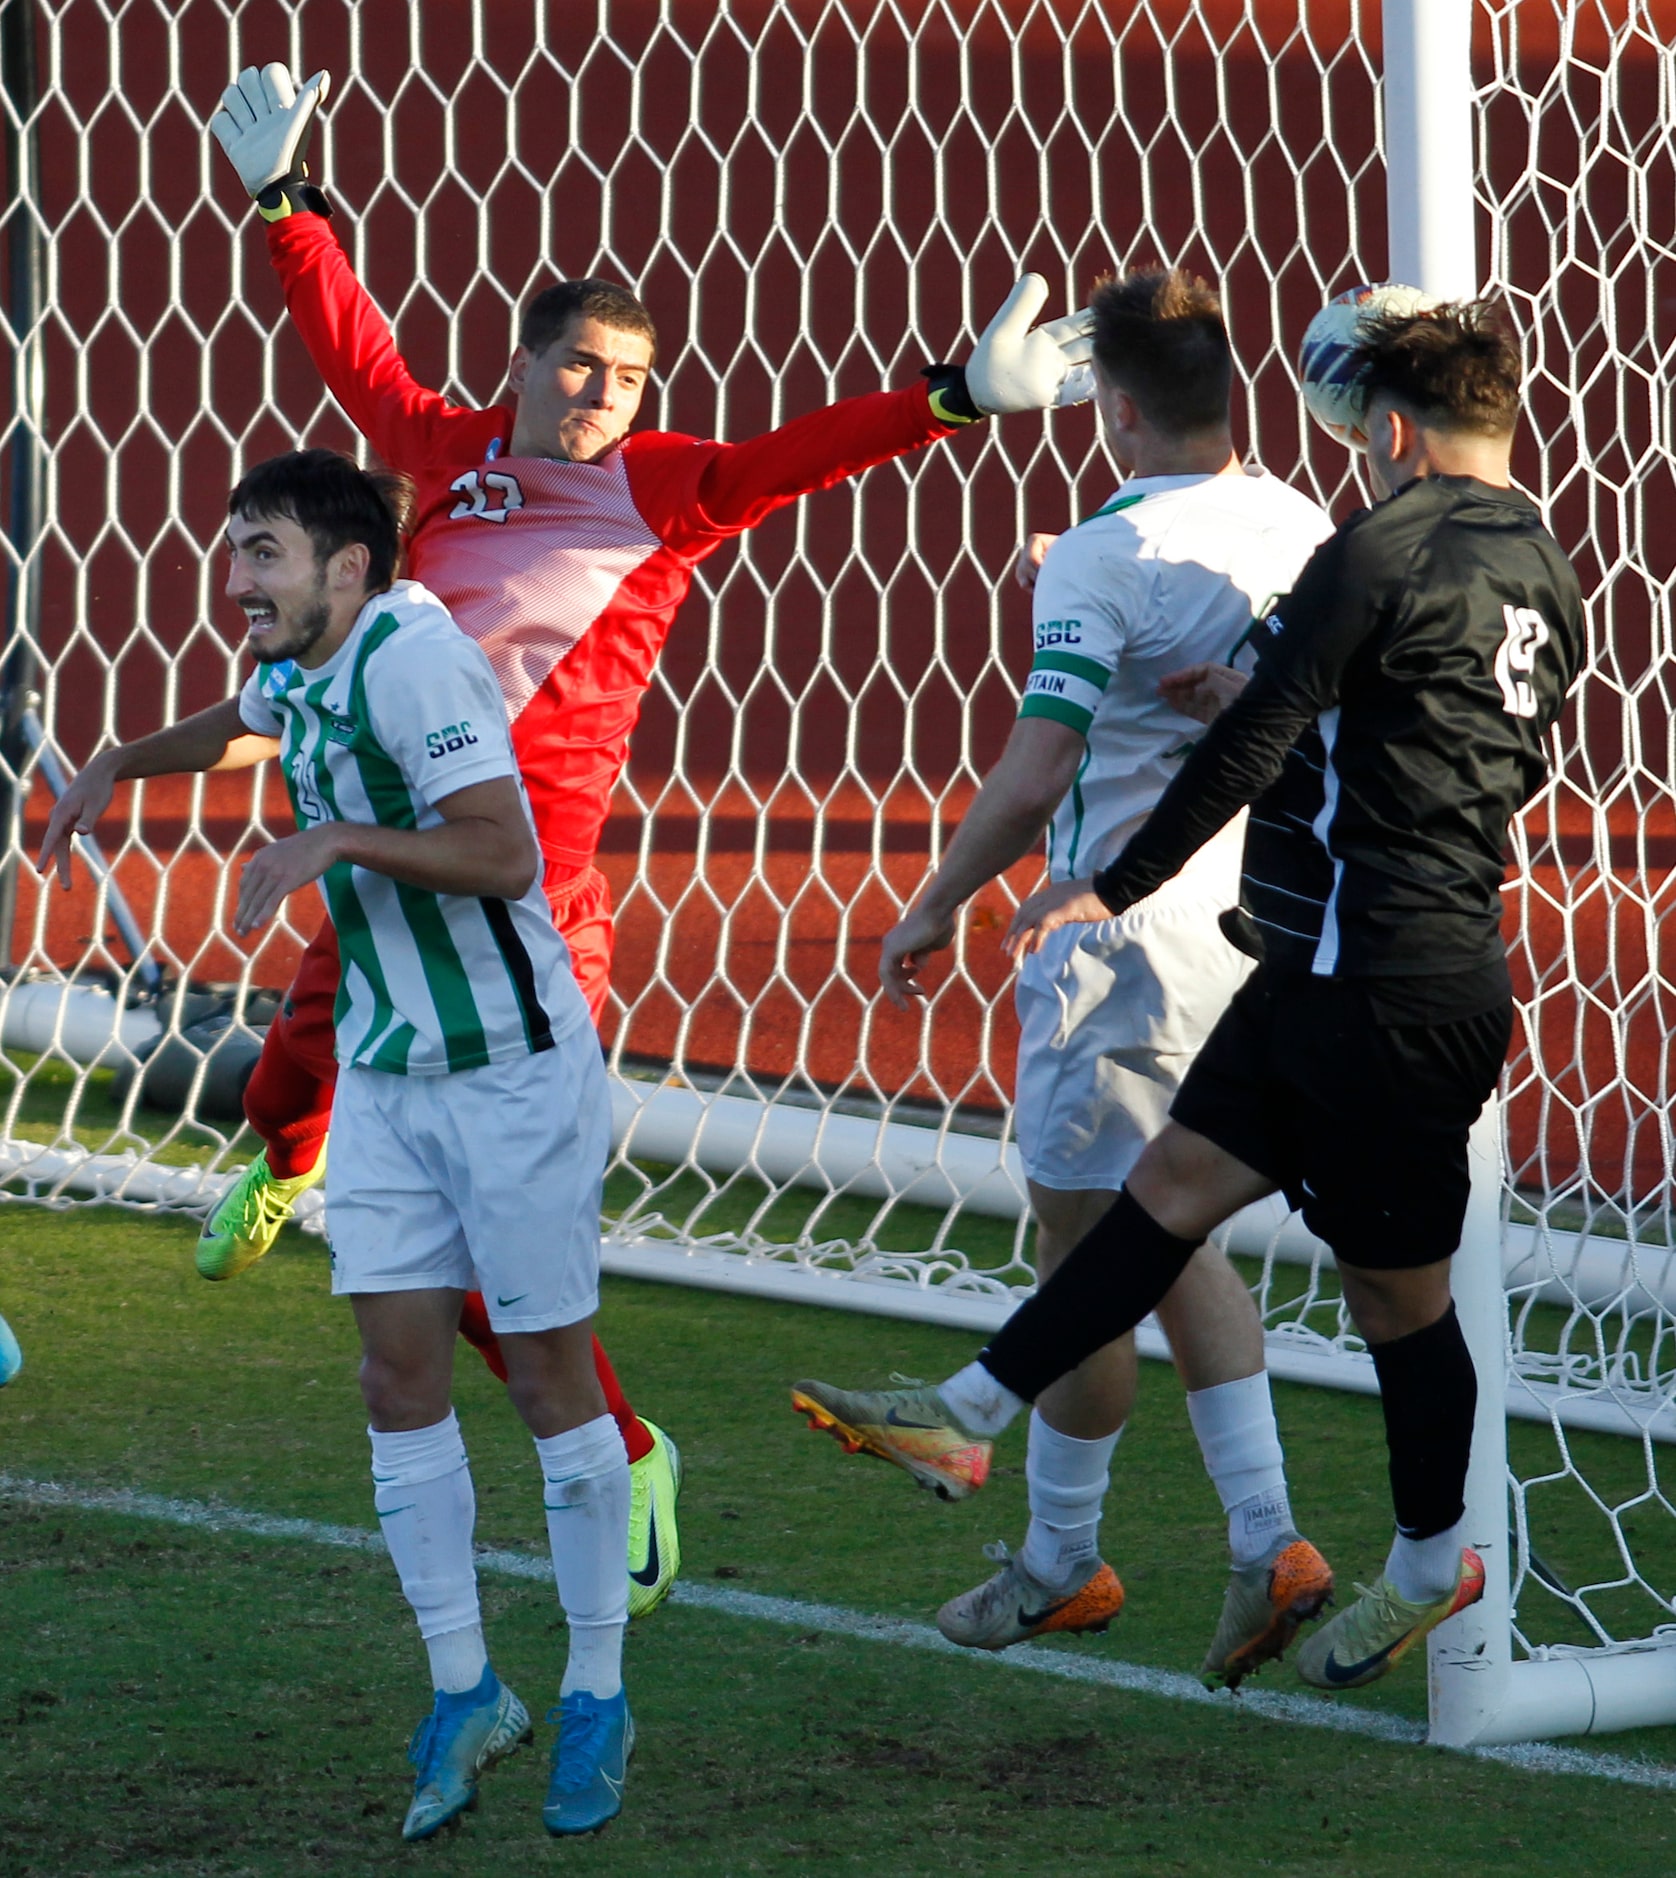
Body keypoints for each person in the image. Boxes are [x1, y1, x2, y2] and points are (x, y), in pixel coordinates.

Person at [201, 63, 1094, 1618]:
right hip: (386, 858)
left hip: (529, 899)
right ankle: (286, 1157)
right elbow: (357, 354)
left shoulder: (665, 485)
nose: (603, 392)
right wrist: (287, 208)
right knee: (297, 1044)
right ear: (532, 364)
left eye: (626, 372)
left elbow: (796, 456)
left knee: (483, 1272)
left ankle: (633, 1451)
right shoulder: (449, 448)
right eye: (582, 366)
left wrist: (950, 397)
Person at [795, 297, 1585, 1690]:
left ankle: (1425, 1563)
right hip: (1312, 967)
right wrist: (1309, 694)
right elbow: (1456, 738)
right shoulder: (1540, 558)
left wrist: (1108, 877)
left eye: (1369, 439)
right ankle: (970, 1405)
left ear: (1396, 430)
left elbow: (1246, 748)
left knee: (1399, 1304)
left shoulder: (1371, 550)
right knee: (1164, 1195)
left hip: (1390, 990)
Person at [42, 450, 640, 1837]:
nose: (236, 578)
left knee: (551, 1378)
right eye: (237, 549)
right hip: (386, 1069)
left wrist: (341, 844)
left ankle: (599, 1687)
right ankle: (466, 1689)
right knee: (395, 1370)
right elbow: (249, 721)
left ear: (351, 569)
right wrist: (128, 756)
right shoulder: (310, 656)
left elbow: (502, 853)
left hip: (509, 1072)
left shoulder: (415, 662)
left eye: (264, 553)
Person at [794, 266, 1336, 1686]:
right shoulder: (1299, 517)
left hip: (1118, 942)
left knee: (1087, 1247)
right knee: (1174, 1231)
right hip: (1265, 925)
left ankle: (1062, 1558)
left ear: (1113, 402)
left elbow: (1039, 770)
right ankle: (1265, 1538)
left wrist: (933, 898)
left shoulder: (1097, 555)